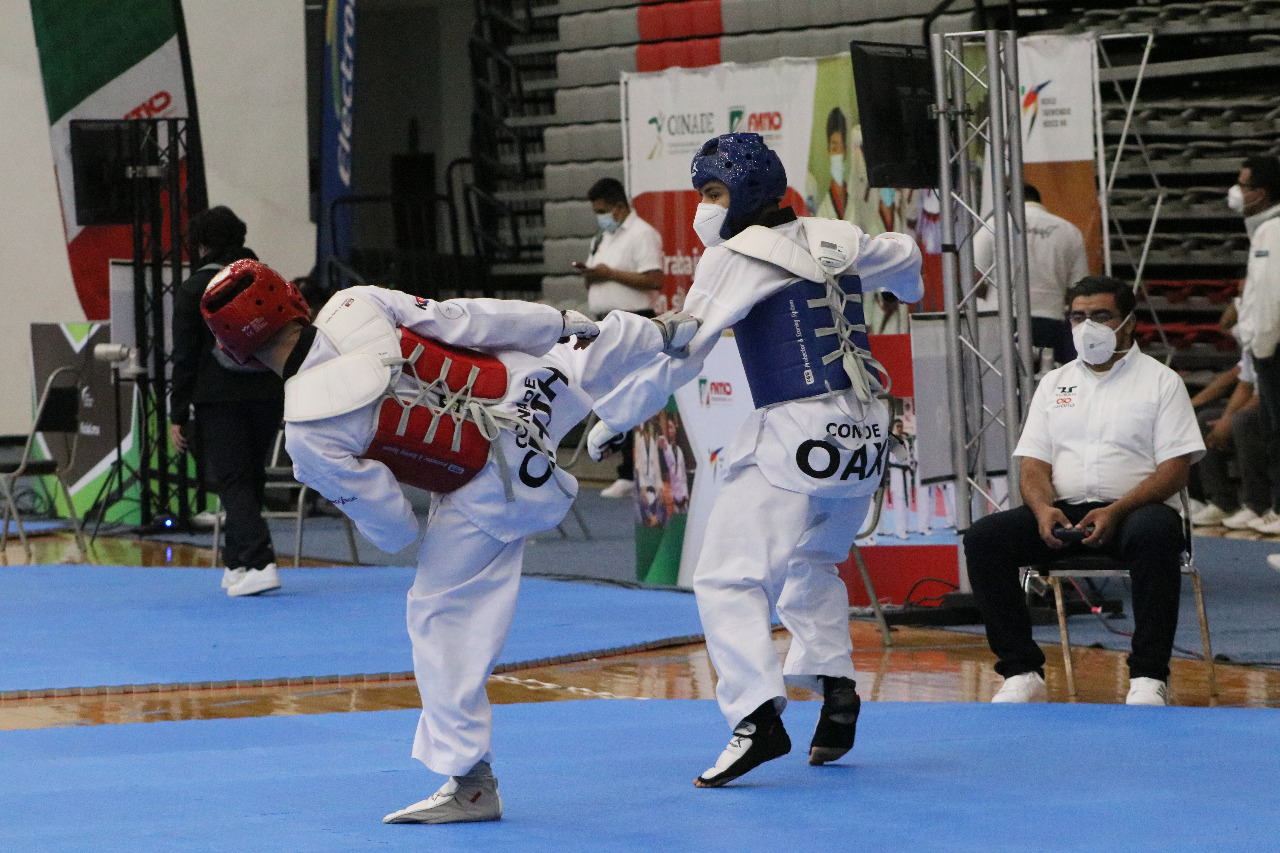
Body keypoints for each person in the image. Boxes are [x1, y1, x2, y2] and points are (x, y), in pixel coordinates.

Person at [199, 259, 697, 824]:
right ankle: (669, 331)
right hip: (534, 389)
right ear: (290, 298)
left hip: (495, 488)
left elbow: (394, 529)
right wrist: (558, 322)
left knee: (438, 616)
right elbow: (473, 321)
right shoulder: (356, 302)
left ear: (233, 349)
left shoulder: (309, 432)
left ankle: (471, 784)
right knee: (582, 348)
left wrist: (420, 472)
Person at [587, 132, 923, 786]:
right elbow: (905, 254)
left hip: (798, 429)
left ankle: (756, 717)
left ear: (742, 194)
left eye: (711, 193)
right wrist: (905, 286)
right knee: (813, 559)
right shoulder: (840, 237)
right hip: (864, 435)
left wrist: (615, 418)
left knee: (727, 577)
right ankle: (837, 690)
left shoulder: (738, 255)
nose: (703, 208)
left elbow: (686, 353)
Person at [963, 275, 1205, 706]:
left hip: (1138, 509)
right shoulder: (1054, 383)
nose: (1087, 325)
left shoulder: (1161, 382)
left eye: (1101, 316)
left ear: (1129, 323)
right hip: (1063, 511)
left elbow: (1174, 471)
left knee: (1156, 535)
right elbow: (1034, 464)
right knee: (985, 538)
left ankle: (1149, 676)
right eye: (1078, 316)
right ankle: (1022, 671)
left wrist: (1116, 509)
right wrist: (1041, 509)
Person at [169, 205, 286, 597]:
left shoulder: (193, 290)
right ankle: (237, 562)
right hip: (269, 391)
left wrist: (176, 413)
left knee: (232, 478)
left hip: (220, 396)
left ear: (200, 244)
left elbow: (184, 359)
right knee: (250, 475)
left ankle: (259, 560)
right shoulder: (265, 277)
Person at [574, 177, 665, 499]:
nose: (599, 216)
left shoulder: (642, 234)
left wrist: (608, 274)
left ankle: (635, 470)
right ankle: (624, 468)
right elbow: (602, 279)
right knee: (609, 396)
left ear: (619, 207)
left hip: (635, 323)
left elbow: (655, 280)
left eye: (602, 210)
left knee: (633, 396)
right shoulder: (602, 237)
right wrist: (592, 276)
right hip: (604, 324)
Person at [974, 183, 1089, 367]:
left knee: (1006, 385)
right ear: (1038, 200)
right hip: (1051, 320)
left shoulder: (993, 225)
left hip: (1002, 320)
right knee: (1050, 383)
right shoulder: (1069, 231)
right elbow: (1078, 289)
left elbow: (974, 280)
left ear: (1006, 203)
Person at [1227, 155, 1280, 535]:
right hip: (1269, 349)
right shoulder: (1265, 229)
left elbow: (1269, 300)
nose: (1237, 193)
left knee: (1276, 432)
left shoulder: (1272, 231)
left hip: (1274, 350)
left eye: (1243, 186)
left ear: (1260, 193)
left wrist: (1261, 347)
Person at [1187, 355, 1262, 528]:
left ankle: (1259, 505)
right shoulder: (1252, 340)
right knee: (1203, 418)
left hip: (1269, 404)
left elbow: (1267, 392)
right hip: (1262, 402)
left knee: (1243, 422)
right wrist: (1189, 404)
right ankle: (1221, 502)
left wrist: (1229, 421)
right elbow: (1245, 382)